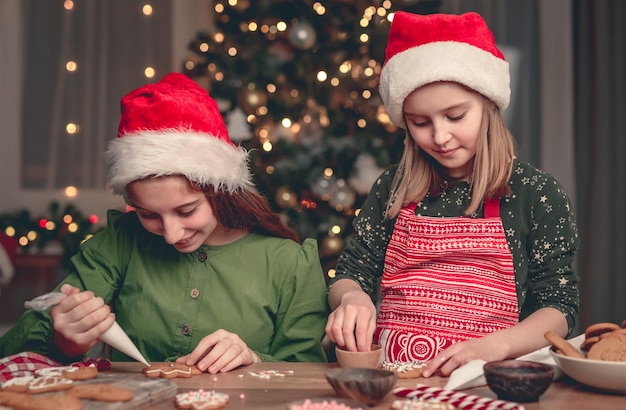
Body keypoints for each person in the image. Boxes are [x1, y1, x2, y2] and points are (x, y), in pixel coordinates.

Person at [0, 72, 329, 373]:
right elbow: (13, 352)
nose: (172, 235)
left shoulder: (290, 263)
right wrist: (65, 342)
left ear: (220, 190)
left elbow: (308, 372)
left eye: (186, 211)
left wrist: (255, 360)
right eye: (148, 214)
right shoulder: (120, 243)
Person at [324, 11, 579, 378]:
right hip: (395, 382)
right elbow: (351, 273)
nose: (439, 137)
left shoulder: (534, 192)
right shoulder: (393, 186)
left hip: (485, 382)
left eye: (456, 116)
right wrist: (352, 298)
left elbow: (559, 306)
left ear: (488, 105)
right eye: (421, 123)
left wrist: (494, 346)